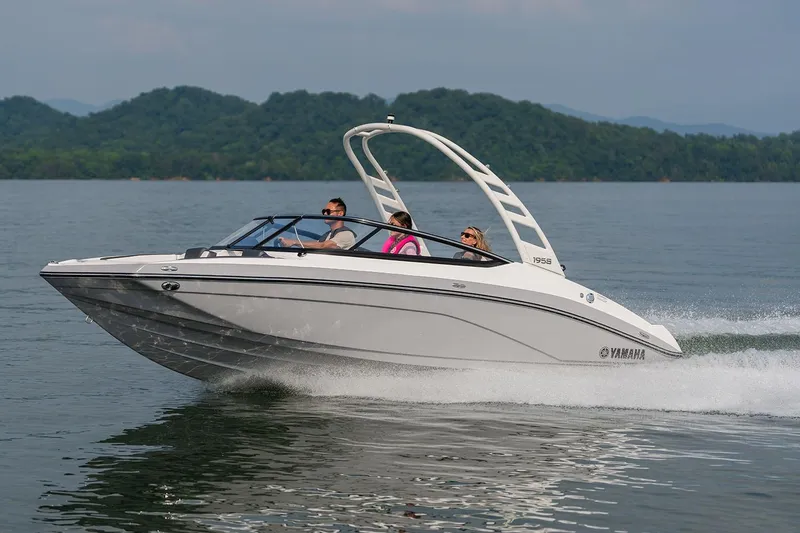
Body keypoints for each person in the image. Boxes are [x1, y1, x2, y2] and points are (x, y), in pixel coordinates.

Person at [278, 198, 356, 249]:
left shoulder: (346, 234)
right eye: (324, 211)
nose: (325, 214)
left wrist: (294, 242)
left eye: (328, 211)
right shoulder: (328, 234)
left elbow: (323, 246)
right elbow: (317, 244)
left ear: (340, 213)